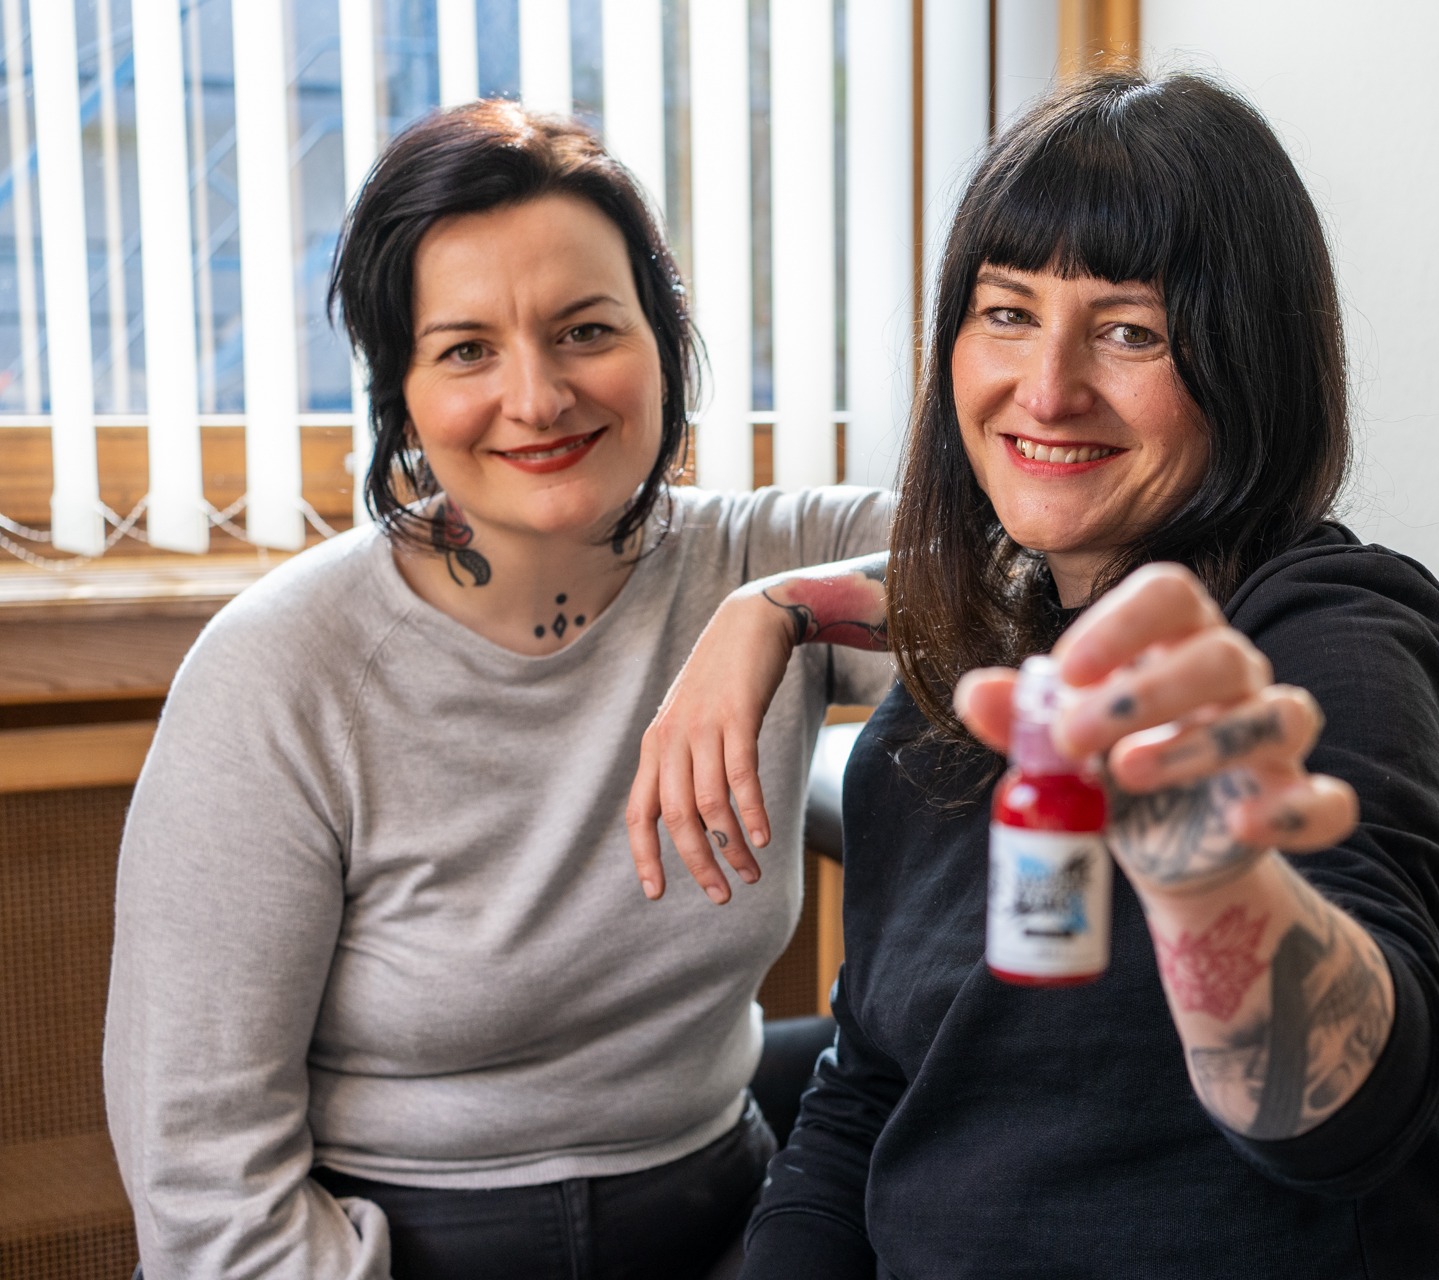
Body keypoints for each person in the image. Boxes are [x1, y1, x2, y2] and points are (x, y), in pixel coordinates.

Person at [629, 71, 1439, 1278]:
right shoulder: (971, 668)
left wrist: (1209, 876)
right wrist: (770, 605)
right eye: (1006, 312)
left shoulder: (1338, 638)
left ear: (1250, 362)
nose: (1045, 389)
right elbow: (873, 1086)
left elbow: (1340, 1119)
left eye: (1131, 330)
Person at [103, 101, 890, 1280]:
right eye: (467, 349)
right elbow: (205, 1182)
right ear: (402, 389)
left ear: (663, 340)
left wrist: (777, 611)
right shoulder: (278, 670)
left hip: (729, 1213)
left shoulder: (768, 563)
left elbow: (1054, 590)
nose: (538, 395)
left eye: (586, 330)